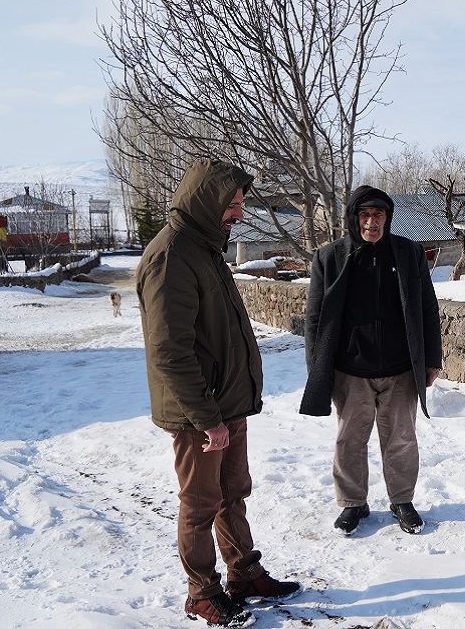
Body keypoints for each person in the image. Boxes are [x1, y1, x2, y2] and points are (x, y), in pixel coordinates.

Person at [136, 160, 302, 628]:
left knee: (233, 494)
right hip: (199, 413)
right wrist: (207, 418)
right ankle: (202, 593)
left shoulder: (204, 247)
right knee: (200, 503)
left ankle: (243, 575)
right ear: (206, 202)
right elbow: (170, 351)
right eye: (232, 205)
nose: (239, 215)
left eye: (240, 205)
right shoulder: (171, 257)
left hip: (224, 403)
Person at [300, 185, 443, 536]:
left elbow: (427, 307)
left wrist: (432, 358)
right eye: (364, 215)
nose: (371, 222)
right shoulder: (330, 257)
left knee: (401, 440)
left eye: (378, 215)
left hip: (400, 368)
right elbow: (315, 319)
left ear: (388, 218)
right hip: (350, 369)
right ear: (353, 218)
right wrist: (317, 370)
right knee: (349, 440)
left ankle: (402, 500)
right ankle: (353, 503)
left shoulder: (408, 252)